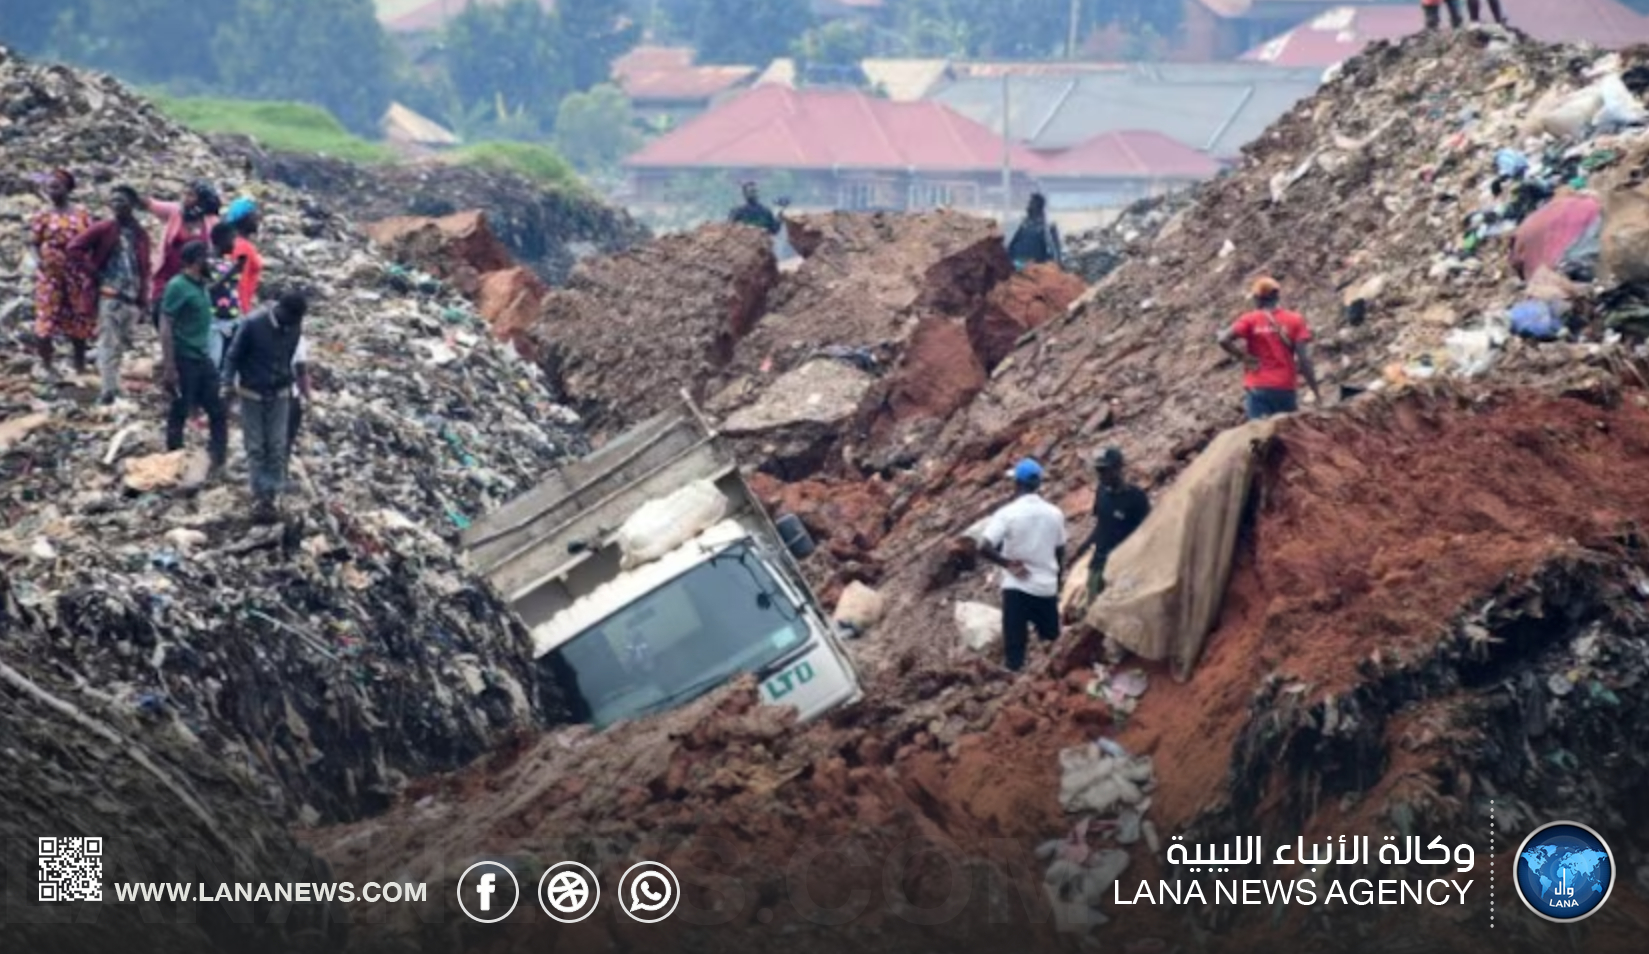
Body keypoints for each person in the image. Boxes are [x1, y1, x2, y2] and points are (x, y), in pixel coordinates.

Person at [979, 459, 1068, 672]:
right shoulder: (1055, 513)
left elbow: (983, 546)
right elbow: (1060, 550)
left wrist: (1007, 563)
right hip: (1046, 587)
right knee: (1052, 642)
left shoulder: (1008, 513)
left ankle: (1014, 686)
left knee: (1015, 651)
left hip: (1017, 587)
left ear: (1017, 484)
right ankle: (1050, 685)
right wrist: (1056, 579)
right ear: (1038, 484)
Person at [224, 291, 307, 521]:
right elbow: (232, 357)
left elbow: (291, 359)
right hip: (252, 393)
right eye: (291, 320)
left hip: (280, 393)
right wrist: (227, 384)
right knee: (257, 447)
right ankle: (260, 496)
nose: (293, 325)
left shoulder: (294, 325)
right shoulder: (252, 324)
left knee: (278, 445)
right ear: (281, 311)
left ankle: (274, 494)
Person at [67, 185, 153, 405]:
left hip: (131, 298)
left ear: (133, 204)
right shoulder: (104, 228)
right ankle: (108, 390)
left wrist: (144, 299)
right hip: (109, 295)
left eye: (122, 201)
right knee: (108, 343)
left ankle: (112, 385)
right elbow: (75, 248)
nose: (116, 205)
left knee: (120, 344)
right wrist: (94, 273)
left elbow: (143, 268)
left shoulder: (139, 234)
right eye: (113, 200)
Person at [160, 241, 228, 474]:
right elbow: (166, 323)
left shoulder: (200, 285)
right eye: (206, 258)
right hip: (184, 357)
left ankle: (218, 457)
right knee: (180, 409)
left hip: (202, 356)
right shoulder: (178, 286)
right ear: (196, 261)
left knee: (217, 409)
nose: (210, 261)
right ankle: (174, 461)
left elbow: (214, 284)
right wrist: (169, 366)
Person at [1217, 276, 1321, 420]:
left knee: (1260, 436)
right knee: (1289, 434)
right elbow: (1304, 361)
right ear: (1277, 296)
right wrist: (1316, 392)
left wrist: (1244, 357)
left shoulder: (1250, 319)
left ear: (1256, 298)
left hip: (1258, 387)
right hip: (1285, 388)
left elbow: (1223, 339)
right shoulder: (1294, 320)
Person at [29, 169, 94, 380]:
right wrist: (38, 261)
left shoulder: (81, 214)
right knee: (46, 317)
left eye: (56, 186)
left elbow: (91, 240)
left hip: (75, 274)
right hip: (50, 274)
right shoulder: (43, 215)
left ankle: (80, 366)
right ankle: (47, 366)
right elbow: (33, 242)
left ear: (68, 189)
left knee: (78, 318)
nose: (51, 190)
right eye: (49, 187)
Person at [1074, 447, 1151, 601]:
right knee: (1093, 604)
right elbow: (1102, 525)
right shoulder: (1102, 492)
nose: (1101, 475)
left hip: (1124, 564)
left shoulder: (1135, 497)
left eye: (1105, 470)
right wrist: (1085, 546)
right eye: (1099, 470)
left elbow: (1148, 531)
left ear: (1118, 468)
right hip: (1099, 561)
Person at [146, 180, 220, 325]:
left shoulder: (211, 222)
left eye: (191, 195)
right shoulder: (175, 211)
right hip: (166, 276)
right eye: (185, 193)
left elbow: (218, 246)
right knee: (161, 313)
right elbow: (152, 205)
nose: (185, 198)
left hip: (193, 279)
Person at [207, 221, 247, 371]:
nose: (233, 243)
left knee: (229, 363)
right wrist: (232, 272)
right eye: (231, 238)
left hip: (232, 320)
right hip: (214, 321)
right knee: (214, 362)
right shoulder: (207, 262)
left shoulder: (227, 261)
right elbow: (208, 289)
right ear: (221, 239)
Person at [221, 196, 263, 313]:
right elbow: (240, 283)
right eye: (253, 215)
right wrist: (243, 312)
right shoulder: (243, 247)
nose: (257, 219)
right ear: (244, 218)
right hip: (238, 309)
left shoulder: (237, 242)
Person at [1006, 193, 1063, 269]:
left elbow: (1054, 248)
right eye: (1029, 203)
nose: (1028, 206)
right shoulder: (1022, 224)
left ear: (1038, 206)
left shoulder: (1047, 226)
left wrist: (1056, 263)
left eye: (1031, 203)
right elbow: (1012, 244)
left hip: (1036, 266)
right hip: (1017, 263)